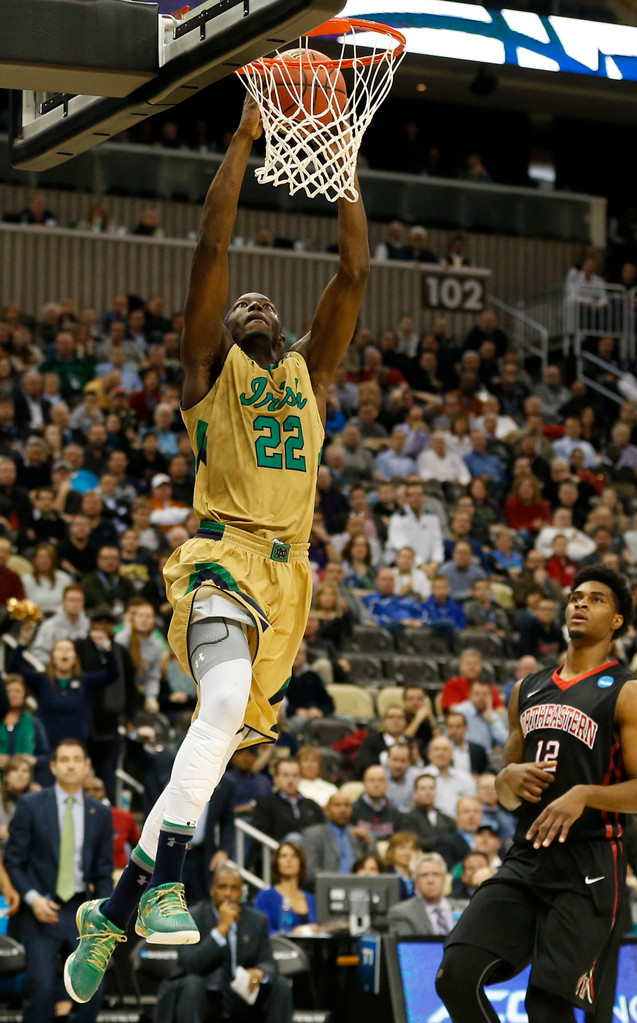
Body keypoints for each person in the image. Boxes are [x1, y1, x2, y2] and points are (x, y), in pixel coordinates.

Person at [64, 92, 369, 1003]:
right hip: (221, 557)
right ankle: (161, 880)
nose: (251, 298)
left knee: (220, 730)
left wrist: (339, 156)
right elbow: (211, 251)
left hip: (287, 581)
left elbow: (353, 271)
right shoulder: (208, 374)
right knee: (225, 700)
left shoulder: (311, 374)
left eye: (263, 299)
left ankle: (120, 903)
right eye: (239, 305)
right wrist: (244, 139)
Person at [435, 565, 637, 1022]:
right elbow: (507, 790)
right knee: (455, 974)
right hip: (528, 858)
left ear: (617, 621)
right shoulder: (528, 688)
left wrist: (584, 795)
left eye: (596, 599)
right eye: (576, 596)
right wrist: (506, 780)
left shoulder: (626, 690)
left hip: (591, 862)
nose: (580, 603)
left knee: (547, 1008)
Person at [5, 739, 114, 1023]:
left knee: (91, 990)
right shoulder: (31, 805)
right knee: (39, 988)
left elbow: (103, 871)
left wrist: (102, 916)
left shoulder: (100, 813)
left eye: (77, 759)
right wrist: (32, 898)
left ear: (87, 766)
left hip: (81, 911)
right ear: (53, 767)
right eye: (63, 759)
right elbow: (13, 860)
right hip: (40, 908)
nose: (70, 765)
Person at [156, 864, 292, 1023]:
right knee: (192, 983)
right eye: (222, 887)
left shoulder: (257, 921)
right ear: (212, 890)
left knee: (280, 985)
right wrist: (222, 929)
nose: (228, 894)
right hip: (204, 996)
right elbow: (189, 964)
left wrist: (260, 972)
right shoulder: (191, 917)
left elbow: (269, 962)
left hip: (241, 997)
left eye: (234, 888)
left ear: (242, 893)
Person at [254, 841, 317, 934]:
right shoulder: (265, 897)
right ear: (277, 863)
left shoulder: (311, 899)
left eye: (294, 856)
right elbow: (259, 933)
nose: (289, 860)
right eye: (284, 856)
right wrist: (293, 933)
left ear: (301, 863)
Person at [387, 852, 456, 936]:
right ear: (416, 882)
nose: (430, 880)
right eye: (424, 875)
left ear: (444, 879)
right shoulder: (402, 913)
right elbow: (408, 947)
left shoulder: (464, 909)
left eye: (436, 874)